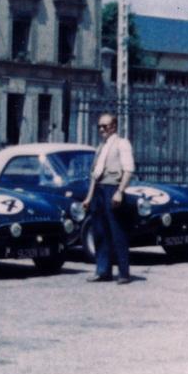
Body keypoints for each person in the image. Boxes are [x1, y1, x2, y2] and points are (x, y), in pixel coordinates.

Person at [82, 112, 134, 284]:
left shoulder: (122, 144)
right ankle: (103, 270)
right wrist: (89, 197)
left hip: (113, 189)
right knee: (99, 231)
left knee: (117, 231)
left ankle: (124, 272)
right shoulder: (101, 147)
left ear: (114, 126)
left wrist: (120, 191)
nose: (102, 129)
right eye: (99, 126)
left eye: (105, 126)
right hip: (99, 190)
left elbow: (128, 170)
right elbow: (94, 175)